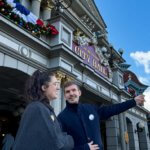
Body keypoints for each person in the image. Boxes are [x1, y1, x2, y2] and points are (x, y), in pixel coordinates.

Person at [58, 81, 145, 150]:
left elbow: (114, 109)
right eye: (67, 92)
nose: (71, 93)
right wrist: (84, 148)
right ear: (65, 96)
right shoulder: (62, 118)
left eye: (74, 90)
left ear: (79, 93)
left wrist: (133, 102)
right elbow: (60, 145)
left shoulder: (91, 108)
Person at [12, 70, 74, 150]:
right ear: (44, 87)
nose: (58, 88)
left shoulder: (40, 107)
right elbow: (57, 144)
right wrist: (70, 139)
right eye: (55, 84)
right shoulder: (38, 108)